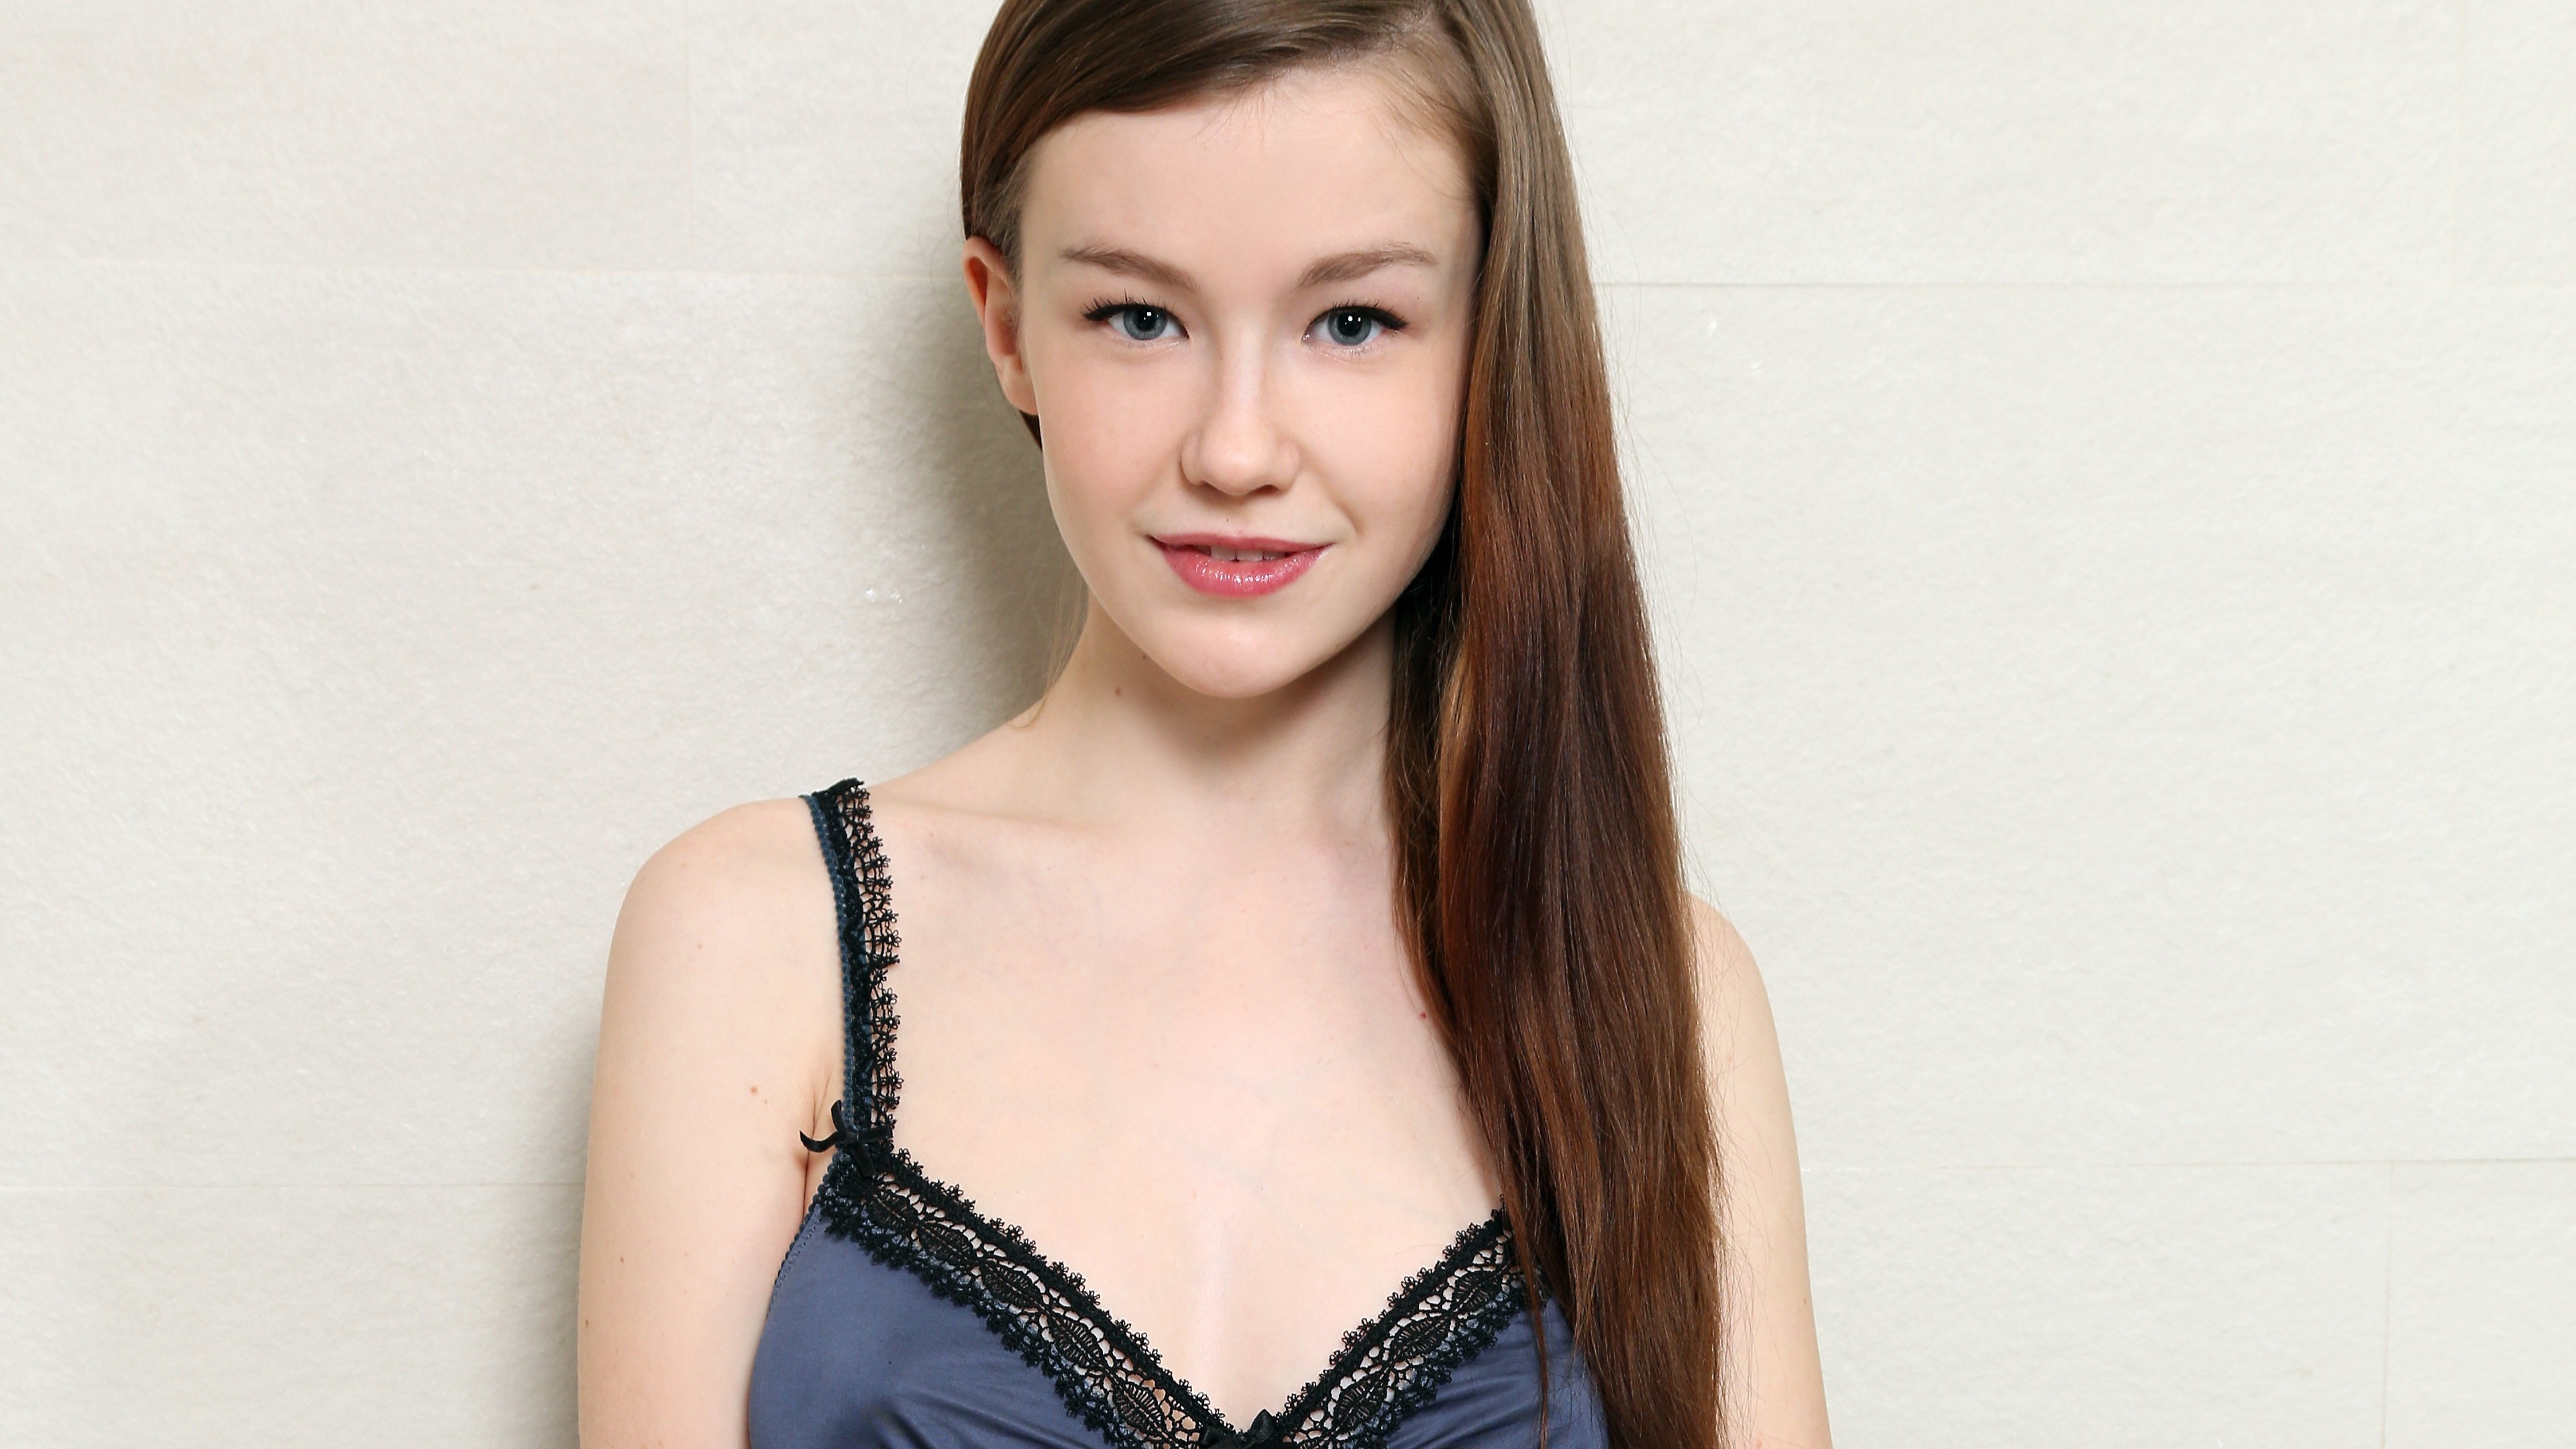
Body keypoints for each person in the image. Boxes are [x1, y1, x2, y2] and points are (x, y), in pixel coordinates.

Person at [576, 1, 1830, 1445]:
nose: (1237, 450)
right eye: (1139, 317)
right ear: (1006, 325)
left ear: (1489, 340)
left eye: (1352, 322)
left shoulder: (1665, 993)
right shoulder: (750, 941)